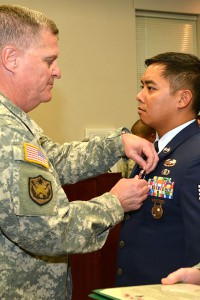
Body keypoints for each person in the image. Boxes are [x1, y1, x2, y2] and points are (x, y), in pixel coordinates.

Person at [0, 5, 158, 300]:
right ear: (11, 59)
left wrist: (116, 144)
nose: (57, 72)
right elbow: (50, 230)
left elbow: (52, 160)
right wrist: (115, 203)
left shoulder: (14, 122)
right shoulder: (5, 132)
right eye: (49, 60)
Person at [116, 52, 200, 287]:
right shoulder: (153, 150)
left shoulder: (195, 156)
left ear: (182, 99)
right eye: (141, 86)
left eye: (150, 88)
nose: (139, 96)